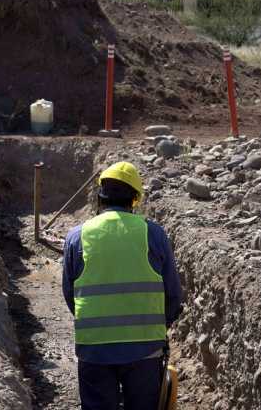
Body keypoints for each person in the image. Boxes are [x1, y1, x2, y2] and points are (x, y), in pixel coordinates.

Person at [62, 162, 183, 410]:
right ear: (135, 199)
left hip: (94, 348)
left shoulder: (77, 236)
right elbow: (172, 295)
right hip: (144, 349)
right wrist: (159, 326)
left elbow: (69, 293)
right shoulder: (153, 235)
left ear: (99, 198)